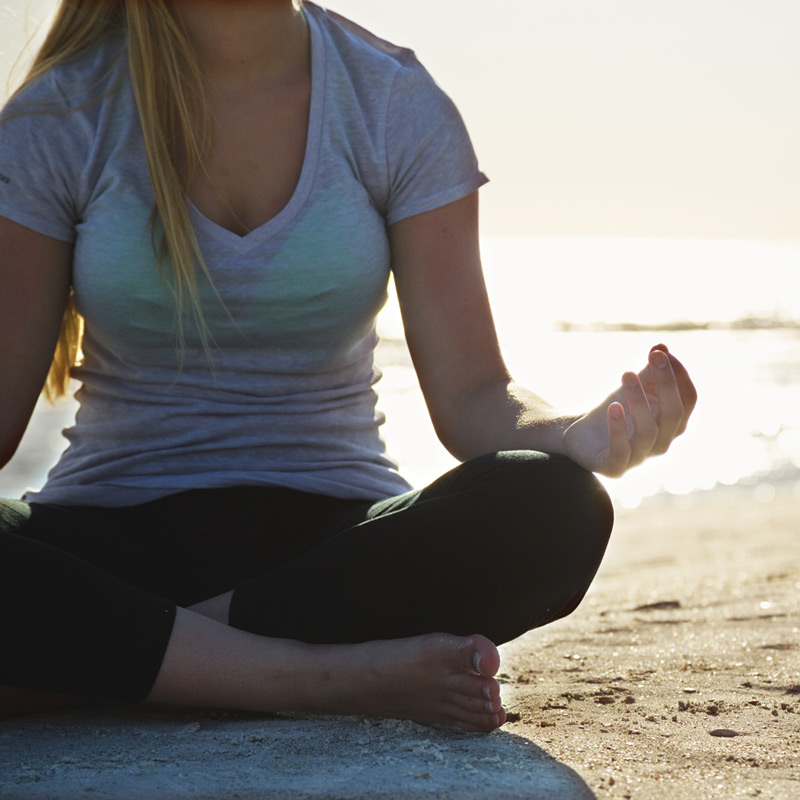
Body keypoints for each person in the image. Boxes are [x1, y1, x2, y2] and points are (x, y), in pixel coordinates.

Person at [0, 0, 696, 733]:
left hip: (330, 554)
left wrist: (574, 434)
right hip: (104, 541)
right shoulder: (61, 115)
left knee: (555, 505)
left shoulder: (390, 102)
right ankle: (322, 676)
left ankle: (105, 666)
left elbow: (474, 394)